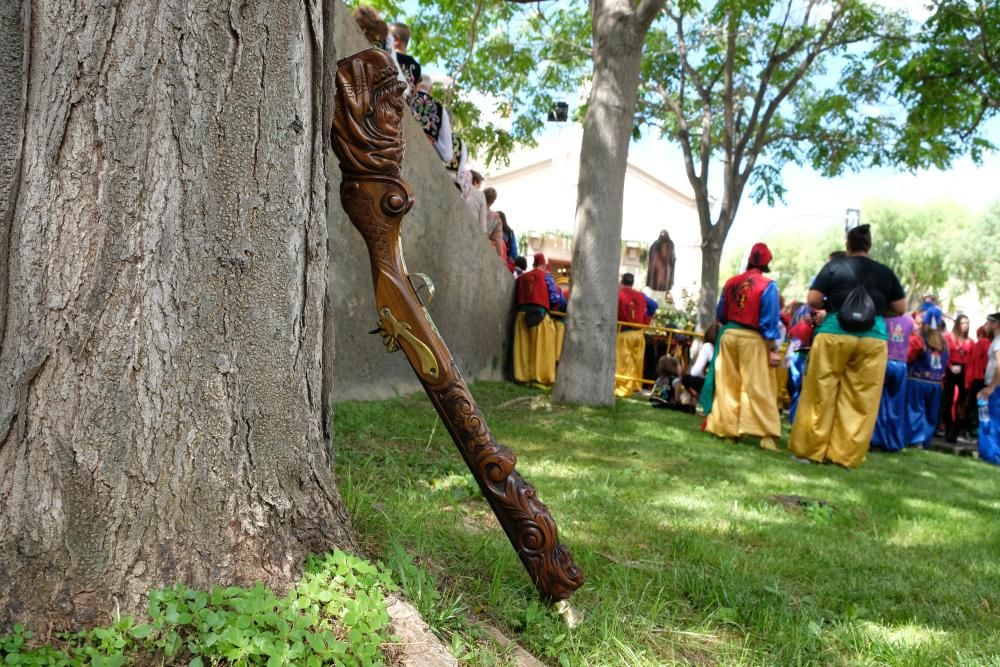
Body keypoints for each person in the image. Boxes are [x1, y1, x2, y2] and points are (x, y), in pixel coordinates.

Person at [789, 225, 907, 468]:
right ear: (869, 245)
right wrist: (873, 311)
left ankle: (809, 452)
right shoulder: (885, 272)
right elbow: (900, 308)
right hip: (872, 338)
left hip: (834, 332)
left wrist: (834, 306)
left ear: (847, 245)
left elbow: (812, 299)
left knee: (820, 391)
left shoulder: (834, 266)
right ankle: (844, 456)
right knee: (861, 398)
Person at [700, 243, 783, 451]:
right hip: (752, 339)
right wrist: (773, 348)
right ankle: (766, 435)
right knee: (758, 386)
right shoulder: (768, 286)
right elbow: (769, 320)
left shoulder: (731, 282)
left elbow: (721, 314)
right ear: (767, 262)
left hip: (728, 336)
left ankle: (728, 431)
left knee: (728, 385)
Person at [512, 253, 562, 385]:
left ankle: (522, 377)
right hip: (540, 314)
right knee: (542, 349)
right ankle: (539, 378)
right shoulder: (547, 276)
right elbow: (555, 298)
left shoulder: (522, 278)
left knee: (523, 348)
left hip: (521, 315)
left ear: (533, 263)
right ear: (544, 264)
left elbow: (516, 296)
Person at [870, 312, 916, 452]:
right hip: (901, 364)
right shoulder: (909, 320)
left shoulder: (882, 316)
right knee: (896, 405)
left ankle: (876, 439)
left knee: (877, 402)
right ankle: (893, 441)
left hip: (883, 360)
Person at [904, 305, 949, 448]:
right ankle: (925, 441)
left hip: (917, 380)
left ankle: (914, 440)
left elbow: (908, 356)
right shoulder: (944, 343)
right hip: (936, 384)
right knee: (931, 414)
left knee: (915, 411)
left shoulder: (919, 339)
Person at [785, 308, 822, 424]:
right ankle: (797, 421)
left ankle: (795, 421)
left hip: (798, 355)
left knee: (797, 390)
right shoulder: (817, 318)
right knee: (801, 391)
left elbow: (792, 334)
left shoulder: (804, 316)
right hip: (805, 357)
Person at [615, 273, 649, 397]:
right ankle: (635, 387)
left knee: (623, 363)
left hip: (624, 333)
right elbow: (653, 305)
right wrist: (646, 320)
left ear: (621, 282)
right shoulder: (641, 295)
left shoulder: (618, 294)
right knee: (636, 362)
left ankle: (622, 389)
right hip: (639, 333)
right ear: (632, 283)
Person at [941, 314, 973, 442]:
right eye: (963, 323)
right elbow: (945, 355)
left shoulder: (970, 341)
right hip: (950, 369)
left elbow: (971, 358)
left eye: (967, 323)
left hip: (964, 370)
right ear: (957, 324)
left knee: (962, 401)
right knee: (947, 399)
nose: (965, 326)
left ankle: (955, 431)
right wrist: (950, 366)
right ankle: (947, 427)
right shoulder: (948, 338)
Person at [410, 76, 453, 163]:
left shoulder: (407, 96)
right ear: (430, 89)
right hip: (421, 161)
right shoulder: (441, 110)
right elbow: (447, 155)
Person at [976, 313, 1000, 464]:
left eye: (990, 322)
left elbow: (999, 365)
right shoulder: (996, 340)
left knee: (991, 421)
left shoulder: (998, 342)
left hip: (996, 388)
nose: (987, 324)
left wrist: (991, 387)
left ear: (997, 323)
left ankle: (992, 456)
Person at [680, 322, 720, 401]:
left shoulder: (708, 347)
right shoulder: (723, 348)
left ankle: (702, 399)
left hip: (713, 384)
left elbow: (695, 372)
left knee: (686, 379)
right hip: (725, 384)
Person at [965, 323, 993, 436]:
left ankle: (978, 428)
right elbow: (974, 362)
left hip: (986, 379)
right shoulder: (984, 343)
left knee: (982, 405)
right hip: (982, 379)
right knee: (980, 405)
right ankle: (974, 428)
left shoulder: (989, 343)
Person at [390, 23, 421, 102]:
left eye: (387, 36)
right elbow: (415, 93)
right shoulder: (417, 67)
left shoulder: (387, 55)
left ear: (396, 40)